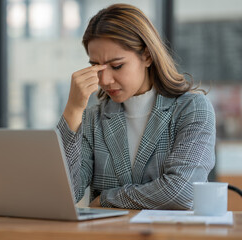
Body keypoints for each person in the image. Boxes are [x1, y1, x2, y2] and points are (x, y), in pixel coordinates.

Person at [56, 3, 216, 209]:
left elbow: (182, 190)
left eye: (117, 66)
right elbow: (65, 192)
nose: (104, 80)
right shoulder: (92, 117)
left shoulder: (191, 109)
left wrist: (106, 199)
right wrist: (73, 109)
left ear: (147, 56)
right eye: (96, 66)